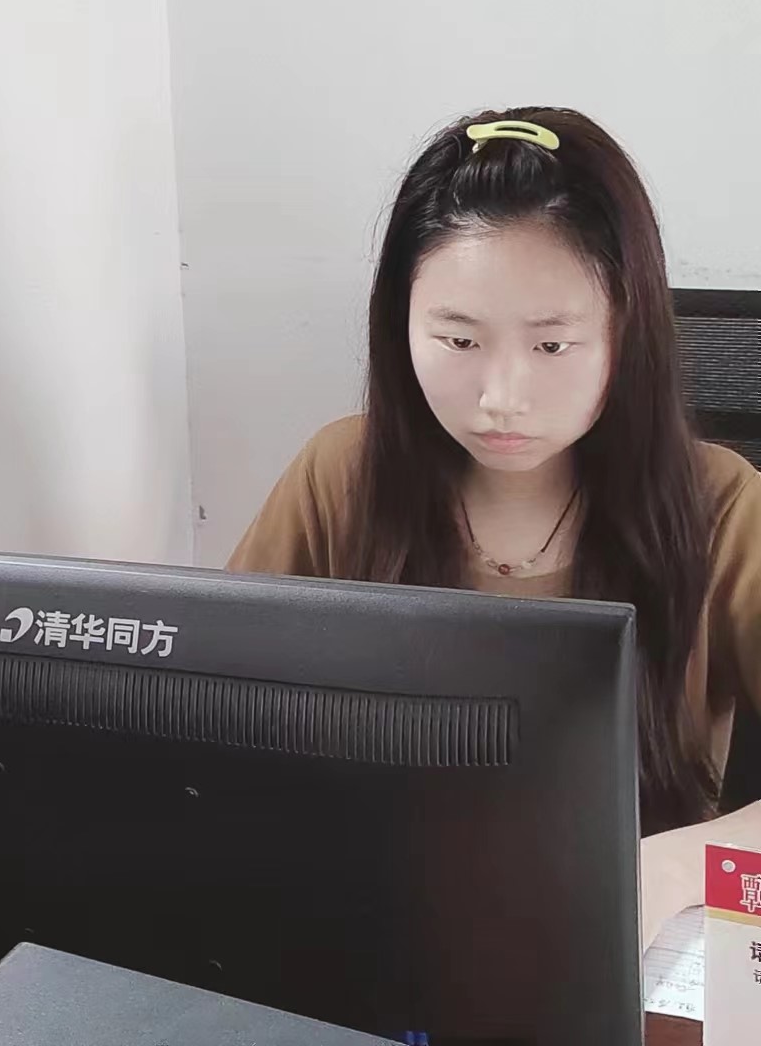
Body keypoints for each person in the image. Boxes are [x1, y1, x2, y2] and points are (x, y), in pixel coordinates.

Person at [228, 108, 761, 951]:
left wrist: (663, 872)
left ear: (628, 332)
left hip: (618, 950)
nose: (500, 396)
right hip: (374, 927)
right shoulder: (342, 475)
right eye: (458, 339)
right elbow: (214, 719)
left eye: (552, 347)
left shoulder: (720, 506)